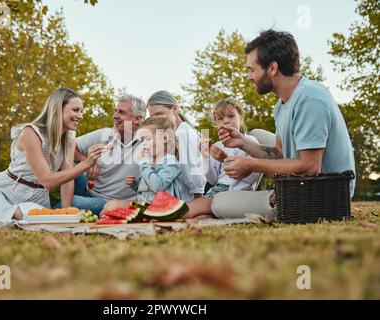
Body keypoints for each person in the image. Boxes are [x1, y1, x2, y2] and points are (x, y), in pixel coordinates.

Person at [213, 29, 356, 219]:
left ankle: (274, 198)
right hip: (303, 183)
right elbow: (279, 154)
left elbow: (310, 167)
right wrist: (242, 142)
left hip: (321, 194)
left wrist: (250, 164)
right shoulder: (281, 105)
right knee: (256, 133)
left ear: (272, 68)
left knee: (219, 202)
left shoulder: (310, 98)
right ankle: (270, 193)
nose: (249, 76)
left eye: (252, 69)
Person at [0, 88, 105, 228]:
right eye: (75, 110)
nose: (80, 116)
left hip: (36, 198)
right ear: (57, 109)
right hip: (5, 190)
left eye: (81, 111)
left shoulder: (68, 138)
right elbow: (48, 181)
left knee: (30, 221)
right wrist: (86, 163)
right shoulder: (31, 133)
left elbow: (67, 180)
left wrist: (67, 216)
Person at [68, 94, 147, 215]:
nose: (115, 116)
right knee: (68, 168)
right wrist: (85, 161)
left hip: (107, 201)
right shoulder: (105, 134)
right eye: (115, 111)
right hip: (88, 187)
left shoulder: (147, 144)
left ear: (137, 118)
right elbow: (68, 145)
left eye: (121, 112)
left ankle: (53, 213)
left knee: (70, 201)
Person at [183, 98, 261, 219]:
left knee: (187, 211)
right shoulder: (218, 146)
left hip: (236, 194)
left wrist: (224, 159)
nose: (226, 121)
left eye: (231, 116)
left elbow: (252, 177)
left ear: (241, 118)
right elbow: (213, 180)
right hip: (218, 190)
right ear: (216, 123)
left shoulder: (250, 142)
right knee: (199, 216)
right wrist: (205, 157)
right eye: (220, 118)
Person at [101, 116, 183, 212]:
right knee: (107, 207)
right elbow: (147, 189)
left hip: (161, 208)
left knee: (111, 206)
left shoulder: (170, 162)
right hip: (146, 204)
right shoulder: (149, 161)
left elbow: (158, 186)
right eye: (142, 140)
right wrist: (135, 185)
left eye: (148, 139)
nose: (143, 143)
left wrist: (144, 164)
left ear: (164, 138)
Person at [146, 90, 206, 201]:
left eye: (160, 114)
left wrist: (197, 203)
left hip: (185, 199)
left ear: (174, 109)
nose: (156, 120)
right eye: (152, 116)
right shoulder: (172, 134)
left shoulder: (182, 134)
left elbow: (193, 174)